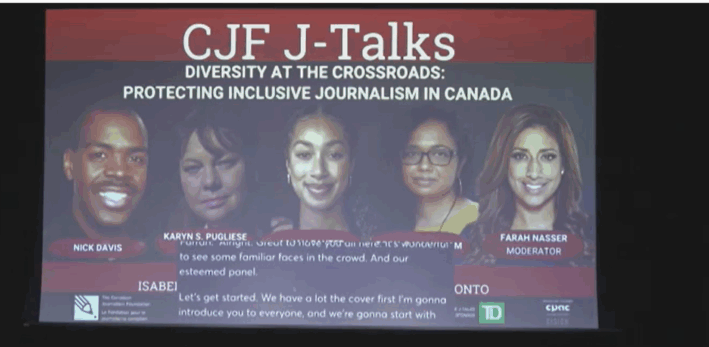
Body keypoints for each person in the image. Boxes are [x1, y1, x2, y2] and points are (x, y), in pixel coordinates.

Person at [461, 104, 594, 266]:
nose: (534, 172)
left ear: (563, 165)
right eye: (520, 156)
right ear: (504, 164)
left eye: (548, 157)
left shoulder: (589, 238)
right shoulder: (472, 239)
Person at [46, 102, 150, 257]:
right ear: (69, 164)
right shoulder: (48, 254)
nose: (119, 172)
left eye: (135, 159)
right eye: (99, 155)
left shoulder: (159, 253)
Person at [270, 104, 379, 238]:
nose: (319, 171)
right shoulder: (270, 242)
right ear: (288, 165)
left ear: (351, 165)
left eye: (334, 155)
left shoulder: (378, 244)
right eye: (304, 155)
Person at [165, 108, 272, 235]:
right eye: (193, 168)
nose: (210, 181)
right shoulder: (165, 248)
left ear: (251, 164)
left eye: (224, 163)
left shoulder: (282, 240)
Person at [387, 107, 479, 234]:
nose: (424, 166)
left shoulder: (481, 221)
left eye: (440, 154)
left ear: (461, 164)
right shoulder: (387, 224)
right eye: (412, 153)